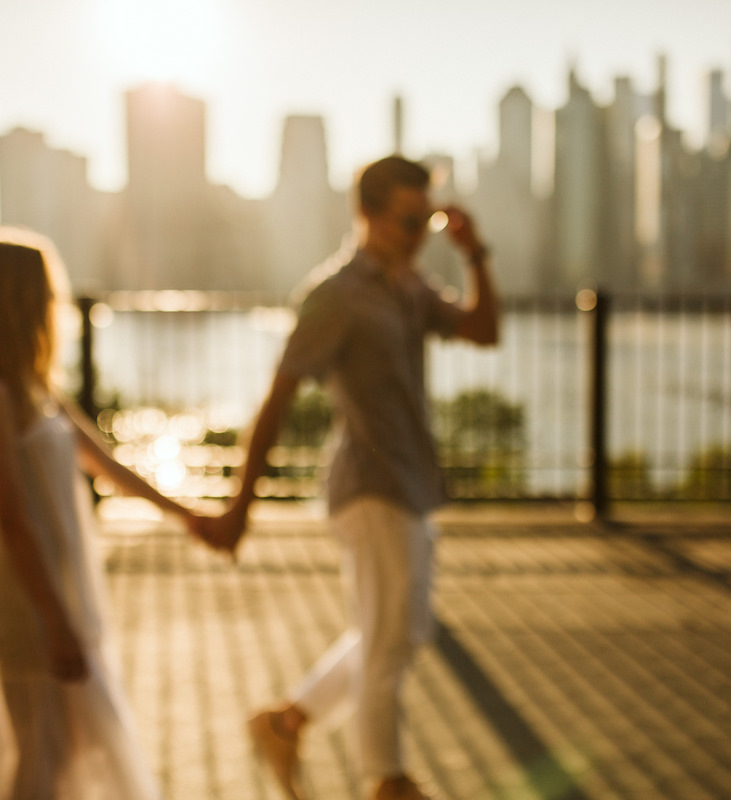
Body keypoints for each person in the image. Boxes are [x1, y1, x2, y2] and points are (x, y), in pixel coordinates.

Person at [203, 155, 500, 800]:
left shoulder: (410, 287)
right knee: (391, 643)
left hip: (410, 481)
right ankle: (386, 780)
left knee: (396, 633)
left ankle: (286, 722)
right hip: (369, 487)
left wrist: (476, 255)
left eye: (428, 218)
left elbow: (484, 331)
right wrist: (239, 507)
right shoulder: (334, 296)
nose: (419, 231)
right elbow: (277, 399)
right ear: (365, 214)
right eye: (407, 219)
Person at [0, 229, 201, 800]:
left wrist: (189, 516)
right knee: (36, 756)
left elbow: (107, 464)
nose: (54, 306)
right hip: (22, 598)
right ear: (15, 301)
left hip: (57, 588)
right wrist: (54, 621)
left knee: (61, 752)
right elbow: (11, 519)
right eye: (44, 293)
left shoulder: (33, 384)